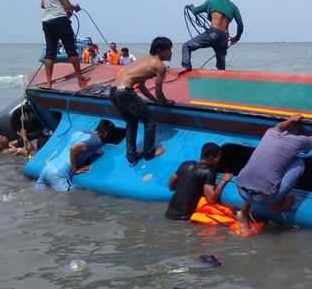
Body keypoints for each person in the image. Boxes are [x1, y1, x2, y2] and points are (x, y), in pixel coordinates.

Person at [235, 114, 312, 234]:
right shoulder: (299, 141)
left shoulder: (270, 133)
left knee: (257, 171)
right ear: (301, 135)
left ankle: (244, 211)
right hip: (265, 198)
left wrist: (290, 119)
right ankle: (276, 205)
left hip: (242, 191)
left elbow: (279, 126)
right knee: (299, 163)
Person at [109, 37, 175, 165]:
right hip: (125, 92)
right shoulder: (160, 66)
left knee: (131, 122)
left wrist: (156, 102)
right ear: (160, 50)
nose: (171, 53)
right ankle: (149, 153)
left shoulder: (145, 59)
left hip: (113, 91)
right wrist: (165, 102)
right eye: (169, 50)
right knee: (150, 120)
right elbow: (158, 91)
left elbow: (140, 86)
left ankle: (131, 155)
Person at [40, 0, 89, 89]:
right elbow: (68, 6)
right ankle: (80, 77)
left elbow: (42, 5)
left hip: (47, 21)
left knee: (50, 53)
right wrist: (75, 7)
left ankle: (48, 83)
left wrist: (56, 7)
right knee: (71, 49)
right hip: (60, 21)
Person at [35, 120, 115, 192]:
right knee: (71, 200)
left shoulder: (80, 132)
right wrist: (75, 169)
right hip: (59, 174)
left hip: (47, 169)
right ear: (106, 133)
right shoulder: (95, 141)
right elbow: (73, 149)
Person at [181, 0, 244, 73]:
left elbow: (195, 11)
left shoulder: (210, 2)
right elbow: (240, 25)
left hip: (212, 33)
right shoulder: (233, 7)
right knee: (221, 62)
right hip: (224, 37)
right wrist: (236, 38)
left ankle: (186, 66)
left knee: (186, 46)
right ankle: (222, 76)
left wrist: (190, 6)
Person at [165, 143, 233, 220]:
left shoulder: (185, 164)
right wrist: (223, 181)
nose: (219, 161)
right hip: (184, 217)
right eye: (219, 158)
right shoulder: (209, 172)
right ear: (211, 157)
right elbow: (211, 199)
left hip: (169, 213)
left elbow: (171, 185)